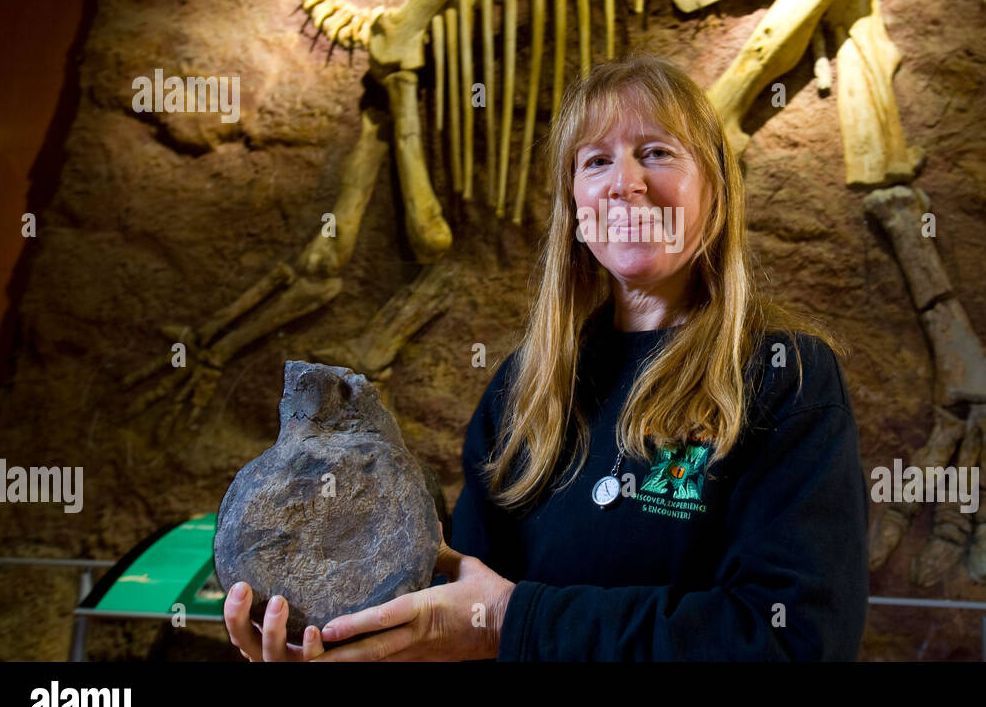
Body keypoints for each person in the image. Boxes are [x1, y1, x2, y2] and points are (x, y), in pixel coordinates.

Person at [224, 52, 869, 661]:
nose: (626, 185)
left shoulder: (786, 378)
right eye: (596, 163)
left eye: (656, 153)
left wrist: (512, 620)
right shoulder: (523, 387)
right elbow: (458, 622)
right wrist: (349, 641)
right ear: (575, 211)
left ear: (718, 191)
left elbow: (791, 639)